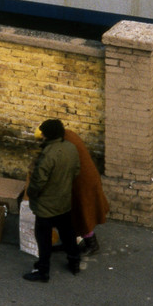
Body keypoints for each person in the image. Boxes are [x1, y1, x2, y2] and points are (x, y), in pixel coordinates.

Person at [24, 119, 81, 282]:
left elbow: (38, 182)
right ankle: (74, 262)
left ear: (47, 135)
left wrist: (31, 193)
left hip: (46, 206)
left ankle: (43, 270)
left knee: (43, 238)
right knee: (68, 233)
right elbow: (76, 171)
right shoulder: (71, 148)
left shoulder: (48, 155)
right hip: (64, 201)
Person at [65, 128, 109, 256]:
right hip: (85, 180)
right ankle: (76, 241)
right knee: (82, 213)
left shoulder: (65, 143)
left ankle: (92, 244)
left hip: (81, 183)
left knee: (82, 214)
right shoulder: (70, 136)